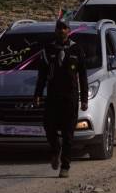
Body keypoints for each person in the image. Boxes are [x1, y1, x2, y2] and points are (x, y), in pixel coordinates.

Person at [34, 20, 88, 178]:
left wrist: (84, 98)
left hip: (70, 97)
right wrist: (37, 94)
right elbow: (42, 75)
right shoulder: (49, 49)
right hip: (52, 96)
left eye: (64, 28)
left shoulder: (76, 49)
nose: (62, 31)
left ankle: (65, 165)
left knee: (68, 134)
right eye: (59, 28)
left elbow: (83, 76)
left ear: (69, 30)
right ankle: (55, 150)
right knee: (49, 127)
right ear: (56, 30)